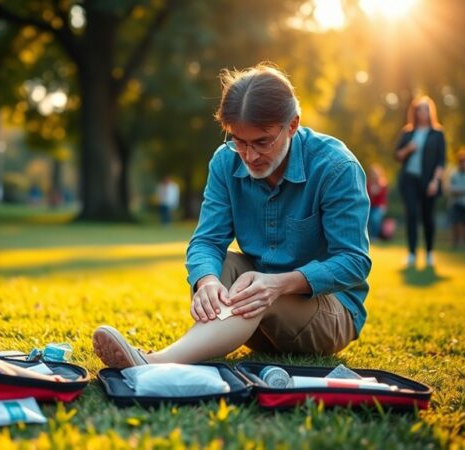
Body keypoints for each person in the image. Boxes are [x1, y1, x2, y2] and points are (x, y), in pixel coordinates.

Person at [92, 63, 371, 368]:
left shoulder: (336, 167)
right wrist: (207, 282)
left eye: (262, 141)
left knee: (260, 290)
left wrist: (278, 284)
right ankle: (182, 348)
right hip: (255, 317)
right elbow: (206, 242)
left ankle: (156, 363)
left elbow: (354, 262)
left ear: (292, 125)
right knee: (220, 266)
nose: (249, 155)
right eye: (238, 140)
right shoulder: (225, 162)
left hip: (328, 314)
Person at [394, 96, 446, 268]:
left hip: (429, 181)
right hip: (409, 179)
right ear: (414, 112)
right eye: (419, 109)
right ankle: (411, 254)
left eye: (425, 109)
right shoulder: (407, 133)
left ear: (430, 111)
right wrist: (408, 149)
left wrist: (435, 181)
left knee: (427, 217)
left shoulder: (437, 133)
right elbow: (397, 156)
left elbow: (441, 160)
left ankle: (430, 253)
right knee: (412, 216)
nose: (422, 112)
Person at [366, 163, 388, 241]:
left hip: (379, 206)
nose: (374, 175)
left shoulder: (383, 183)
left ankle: (375, 236)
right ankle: (368, 236)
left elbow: (383, 197)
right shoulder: (367, 183)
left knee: (375, 218)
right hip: (369, 206)